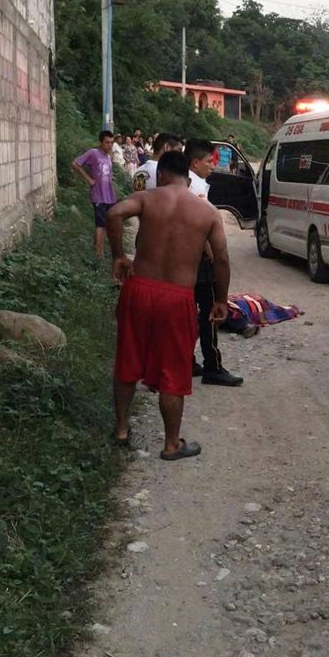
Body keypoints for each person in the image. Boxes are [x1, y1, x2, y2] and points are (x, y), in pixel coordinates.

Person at [106, 151, 231, 461]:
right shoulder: (207, 212)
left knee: (127, 358)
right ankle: (171, 444)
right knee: (174, 369)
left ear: (160, 174)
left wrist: (119, 255)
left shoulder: (147, 198)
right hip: (177, 297)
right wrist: (220, 299)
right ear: (188, 176)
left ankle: (121, 430)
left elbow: (114, 213)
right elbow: (221, 258)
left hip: (139, 289)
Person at [186, 139, 244, 387]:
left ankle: (187, 361)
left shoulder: (184, 182)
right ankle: (213, 366)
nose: (212, 166)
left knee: (188, 313)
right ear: (195, 162)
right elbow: (199, 227)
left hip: (183, 259)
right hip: (200, 260)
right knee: (209, 310)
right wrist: (212, 254)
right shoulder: (196, 186)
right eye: (209, 161)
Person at [71, 130, 119, 257]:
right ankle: (98, 253)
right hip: (99, 195)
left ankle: (99, 249)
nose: (110, 145)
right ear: (101, 142)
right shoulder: (93, 153)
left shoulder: (108, 157)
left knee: (106, 223)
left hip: (109, 196)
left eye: (112, 143)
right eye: (107, 142)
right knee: (100, 224)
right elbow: (76, 164)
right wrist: (89, 179)